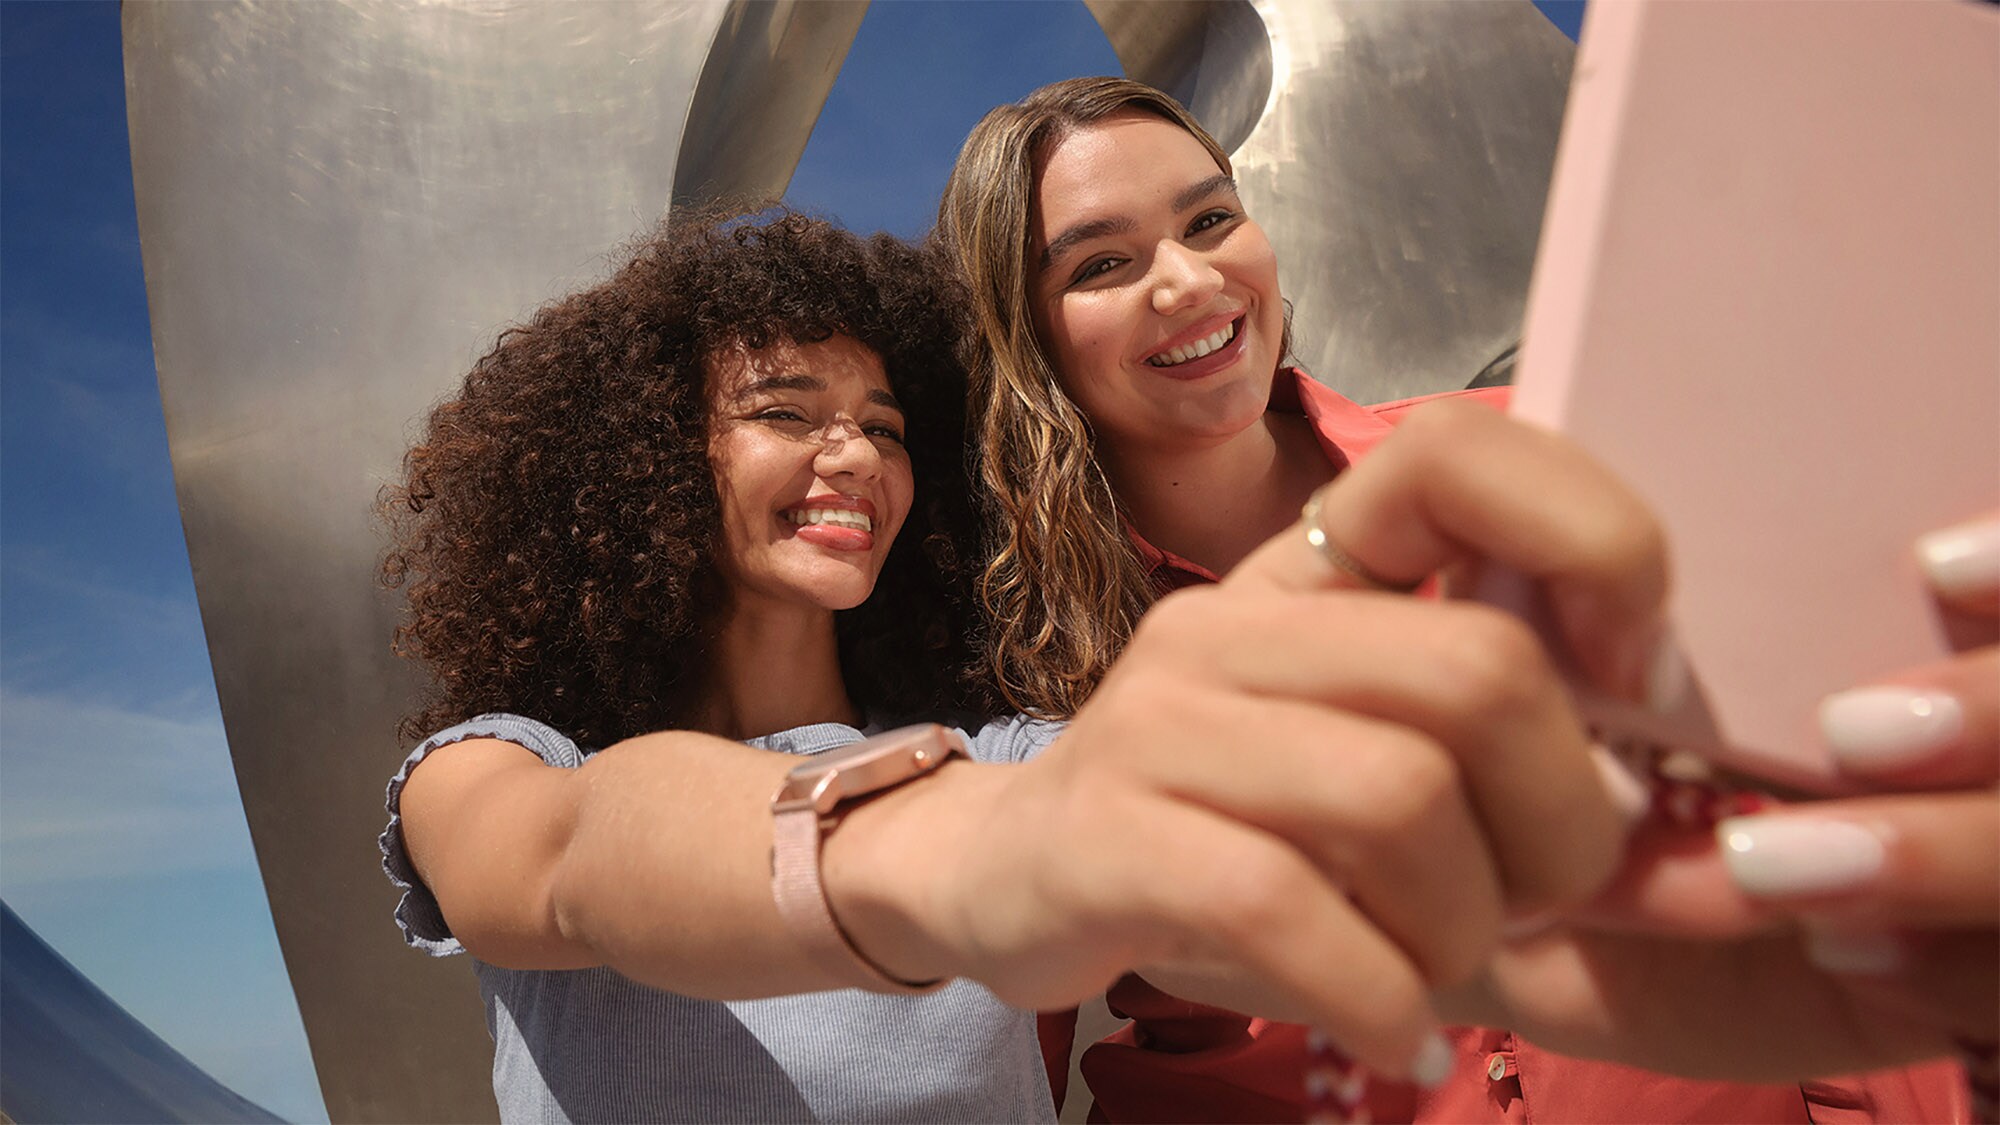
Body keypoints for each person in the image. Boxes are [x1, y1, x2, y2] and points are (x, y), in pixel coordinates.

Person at [376, 207, 1672, 1121]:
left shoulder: (1008, 758)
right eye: (784, 414)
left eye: (884, 428)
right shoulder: (503, 762)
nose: (854, 460)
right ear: (645, 459)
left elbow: (1175, 866)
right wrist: (936, 857)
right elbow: (561, 862)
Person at [935, 75, 1982, 1121]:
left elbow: (1812, 759)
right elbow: (964, 1058)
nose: (1187, 281)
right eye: (1101, 264)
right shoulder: (1017, 678)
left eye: (1210, 220)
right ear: (1022, 335)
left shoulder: (1545, 453)